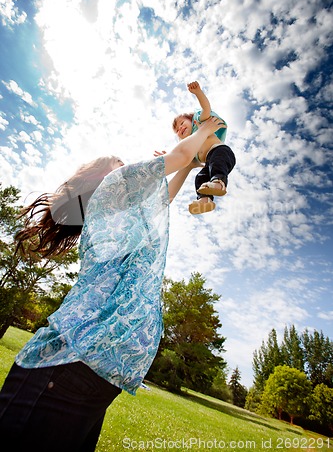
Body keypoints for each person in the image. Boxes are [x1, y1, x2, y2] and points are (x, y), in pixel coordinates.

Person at [0, 115, 224, 452]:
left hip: (95, 371)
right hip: (64, 362)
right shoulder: (115, 183)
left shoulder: (124, 218)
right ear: (101, 175)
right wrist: (206, 129)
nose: (127, 165)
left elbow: (163, 195)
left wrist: (189, 167)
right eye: (120, 163)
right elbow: (176, 157)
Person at [172, 81, 236, 214]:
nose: (181, 128)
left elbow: (206, 108)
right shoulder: (191, 144)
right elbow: (181, 158)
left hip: (220, 152)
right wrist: (167, 155)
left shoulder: (199, 122)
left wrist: (198, 93)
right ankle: (204, 200)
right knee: (200, 178)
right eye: (177, 130)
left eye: (182, 123)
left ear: (191, 120)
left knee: (217, 163)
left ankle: (219, 183)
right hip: (209, 164)